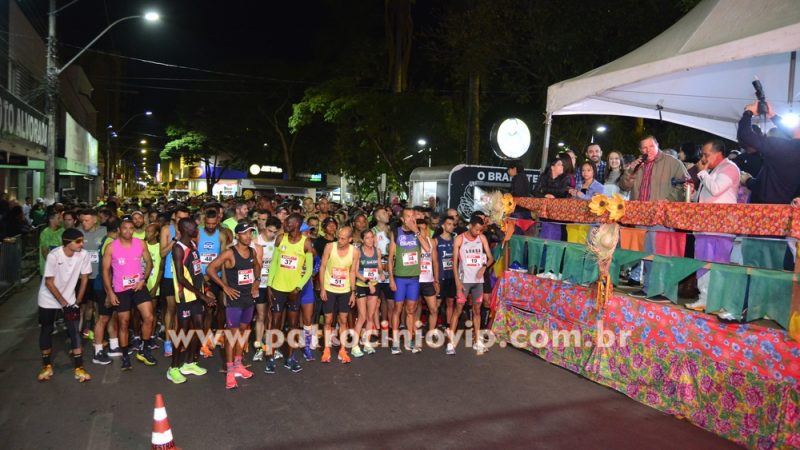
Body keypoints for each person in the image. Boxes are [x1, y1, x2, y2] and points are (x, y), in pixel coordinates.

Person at [685, 140, 740, 314]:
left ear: (718, 154)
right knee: (703, 263)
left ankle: (717, 301)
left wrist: (702, 173)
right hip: (705, 226)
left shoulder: (729, 168)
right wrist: (693, 195)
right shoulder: (712, 171)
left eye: (706, 154)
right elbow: (706, 196)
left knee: (717, 265)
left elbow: (716, 189)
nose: (703, 158)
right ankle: (704, 299)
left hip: (720, 228)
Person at [36, 228, 93, 383]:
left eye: (82, 240)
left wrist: (77, 301)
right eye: (78, 241)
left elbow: (85, 278)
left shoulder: (83, 255)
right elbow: (49, 282)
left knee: (74, 331)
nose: (82, 244)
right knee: (46, 329)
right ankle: (46, 365)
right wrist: (63, 303)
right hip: (48, 298)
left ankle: (79, 368)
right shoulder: (54, 256)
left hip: (69, 299)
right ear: (68, 243)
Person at [206, 223, 259, 389]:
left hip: (248, 299)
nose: (248, 236)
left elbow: (257, 265)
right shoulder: (230, 253)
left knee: (243, 333)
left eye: (250, 233)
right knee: (232, 335)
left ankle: (238, 365)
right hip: (234, 300)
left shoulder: (252, 251)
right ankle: (230, 370)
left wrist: (256, 281)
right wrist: (224, 287)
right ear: (237, 236)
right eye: (244, 233)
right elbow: (210, 268)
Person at [102, 217, 155, 370]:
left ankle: (144, 350)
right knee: (124, 323)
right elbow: (105, 271)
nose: (128, 231)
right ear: (119, 230)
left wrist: (143, 279)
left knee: (149, 317)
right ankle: (125, 355)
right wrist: (110, 293)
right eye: (124, 228)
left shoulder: (141, 243)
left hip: (138, 286)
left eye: (131, 228)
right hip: (121, 290)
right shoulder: (111, 247)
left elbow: (149, 262)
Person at [167, 218, 214, 384]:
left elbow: (195, 271)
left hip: (197, 294)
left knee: (198, 328)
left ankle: (189, 363)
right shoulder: (178, 248)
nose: (197, 229)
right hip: (185, 296)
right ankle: (173, 368)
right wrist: (202, 296)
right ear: (186, 229)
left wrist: (205, 288)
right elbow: (181, 278)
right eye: (194, 227)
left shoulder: (193, 245)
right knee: (182, 332)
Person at [266, 213, 314, 372]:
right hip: (278, 288)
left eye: (288, 222)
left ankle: (290, 358)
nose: (284, 224)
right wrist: (269, 285)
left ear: (297, 225)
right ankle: (271, 358)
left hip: (294, 291)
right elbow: (274, 263)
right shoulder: (281, 239)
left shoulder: (306, 243)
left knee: (293, 325)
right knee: (275, 324)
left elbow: (308, 271)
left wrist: (298, 288)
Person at [737, 101, 800, 205]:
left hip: (764, 209)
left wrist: (748, 112)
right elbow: (792, 132)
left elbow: (745, 135)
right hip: (785, 209)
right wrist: (772, 116)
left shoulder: (780, 146)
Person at [387, 208, 430, 354]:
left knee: (411, 310)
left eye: (413, 216)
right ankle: (395, 341)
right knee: (397, 309)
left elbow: (427, 248)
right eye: (408, 216)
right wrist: (391, 279)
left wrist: (415, 230)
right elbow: (390, 257)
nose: (411, 218)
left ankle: (410, 339)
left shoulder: (419, 232)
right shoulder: (396, 232)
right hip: (400, 278)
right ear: (402, 219)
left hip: (414, 278)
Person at [449, 215, 493, 355]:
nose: (478, 232)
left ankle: (476, 341)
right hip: (464, 281)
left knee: (477, 311)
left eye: (481, 230)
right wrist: (457, 283)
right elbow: (454, 264)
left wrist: (484, 267)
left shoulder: (482, 238)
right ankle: (451, 343)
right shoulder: (460, 239)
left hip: (478, 282)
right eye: (477, 230)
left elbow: (491, 258)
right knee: (458, 310)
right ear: (471, 226)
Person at [319, 226, 359, 363]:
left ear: (350, 239)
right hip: (329, 288)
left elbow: (353, 272)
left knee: (343, 320)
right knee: (328, 320)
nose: (339, 240)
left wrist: (353, 292)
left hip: (345, 290)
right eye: (339, 237)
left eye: (343, 238)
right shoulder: (330, 247)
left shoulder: (354, 252)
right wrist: (323, 288)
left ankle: (342, 349)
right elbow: (323, 267)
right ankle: (326, 349)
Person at [159, 206, 191, 358]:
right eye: (179, 218)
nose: (181, 221)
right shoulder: (167, 230)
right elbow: (163, 252)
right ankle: (167, 341)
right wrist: (175, 238)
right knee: (171, 309)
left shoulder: (192, 232)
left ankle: (178, 341)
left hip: (185, 277)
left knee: (182, 311)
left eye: (185, 218)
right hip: (169, 276)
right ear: (174, 217)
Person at [619, 136, 691, 201]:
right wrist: (631, 172)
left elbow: (686, 183)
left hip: (662, 211)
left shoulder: (673, 162)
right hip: (639, 211)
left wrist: (669, 200)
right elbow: (624, 187)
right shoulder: (637, 164)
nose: (648, 150)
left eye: (651, 146)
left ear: (657, 145)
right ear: (640, 150)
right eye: (645, 148)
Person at [253, 216, 279, 361]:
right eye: (269, 231)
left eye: (274, 232)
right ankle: (258, 347)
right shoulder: (256, 241)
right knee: (261, 315)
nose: (271, 234)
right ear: (264, 227)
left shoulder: (277, 241)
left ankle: (270, 346)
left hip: (274, 284)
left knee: (272, 316)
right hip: (260, 284)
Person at [353, 229, 383, 356]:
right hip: (362, 285)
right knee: (362, 316)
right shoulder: (358, 252)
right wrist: (368, 282)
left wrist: (381, 273)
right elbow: (355, 271)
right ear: (362, 240)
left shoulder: (378, 251)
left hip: (374, 286)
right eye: (367, 238)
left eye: (372, 237)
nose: (370, 240)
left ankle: (366, 342)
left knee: (370, 316)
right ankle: (354, 346)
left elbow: (379, 267)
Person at [417, 219, 440, 335]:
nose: (422, 231)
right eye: (419, 229)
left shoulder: (431, 242)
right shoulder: (412, 242)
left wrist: (436, 280)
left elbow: (435, 262)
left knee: (433, 308)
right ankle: (413, 332)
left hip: (428, 280)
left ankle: (431, 332)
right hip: (414, 280)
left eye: (424, 229)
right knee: (413, 308)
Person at [435, 215, 457, 330]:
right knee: (437, 303)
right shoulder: (436, 240)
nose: (452, 226)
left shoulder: (456, 240)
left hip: (452, 276)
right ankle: (433, 326)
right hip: (441, 276)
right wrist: (436, 277)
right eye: (449, 224)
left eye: (453, 224)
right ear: (443, 225)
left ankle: (448, 325)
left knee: (450, 301)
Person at [39, 211, 63, 277]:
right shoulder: (45, 233)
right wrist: (53, 267)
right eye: (58, 218)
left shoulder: (62, 231)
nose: (61, 220)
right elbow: (45, 252)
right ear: (51, 219)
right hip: (49, 270)